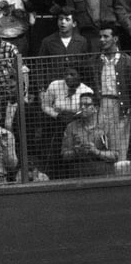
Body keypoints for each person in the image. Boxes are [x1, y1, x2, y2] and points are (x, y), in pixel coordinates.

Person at [41, 67, 94, 177]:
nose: (68, 77)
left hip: (77, 125)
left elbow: (88, 111)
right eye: (66, 74)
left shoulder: (87, 91)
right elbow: (45, 106)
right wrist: (57, 115)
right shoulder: (54, 85)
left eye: (72, 74)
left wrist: (75, 116)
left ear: (79, 76)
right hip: (56, 124)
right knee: (54, 153)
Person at [89, 24, 131, 160]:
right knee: (98, 141)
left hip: (120, 106)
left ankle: (120, 170)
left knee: (119, 146)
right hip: (100, 105)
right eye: (100, 37)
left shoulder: (127, 61)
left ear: (115, 39)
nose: (102, 40)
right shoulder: (94, 61)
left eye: (106, 36)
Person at [61, 92, 119, 175]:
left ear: (96, 108)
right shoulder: (71, 127)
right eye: (81, 104)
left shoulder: (108, 126)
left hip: (103, 173)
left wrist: (96, 151)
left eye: (87, 105)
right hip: (79, 173)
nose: (82, 107)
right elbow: (64, 155)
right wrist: (76, 151)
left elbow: (115, 156)